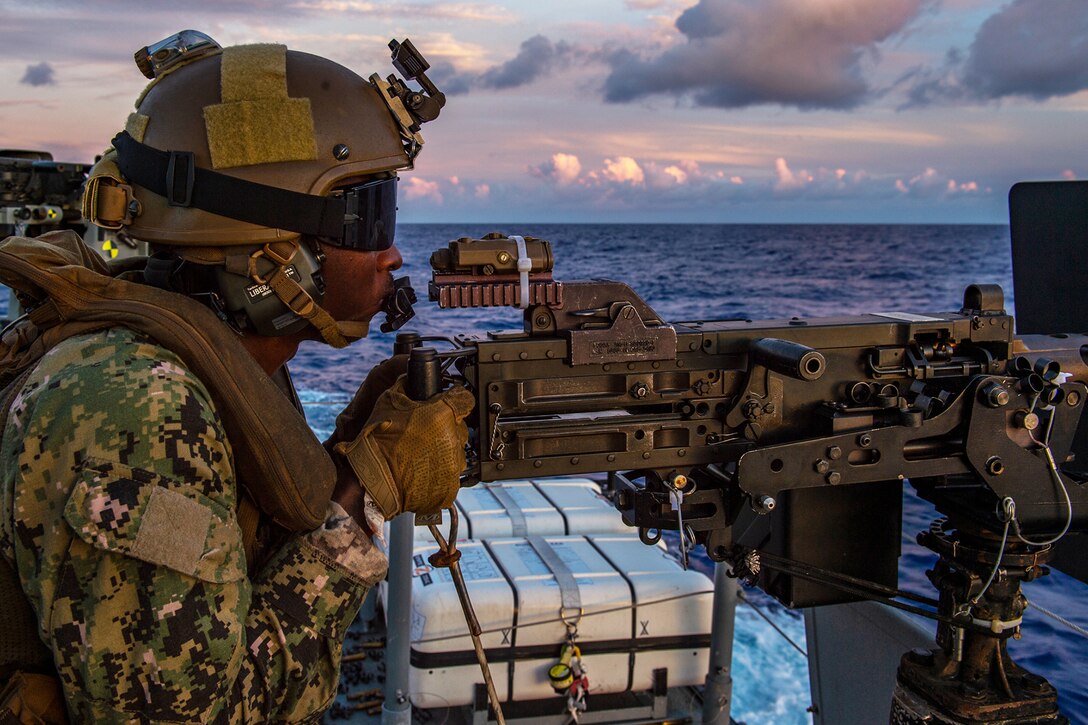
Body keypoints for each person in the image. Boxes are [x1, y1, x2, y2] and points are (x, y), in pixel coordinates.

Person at [0, 30, 471, 723]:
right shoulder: (138, 408)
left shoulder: (214, 358)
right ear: (273, 257)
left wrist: (351, 448)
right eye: (369, 218)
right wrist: (368, 495)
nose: (393, 254)